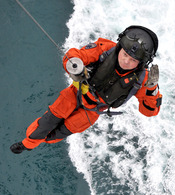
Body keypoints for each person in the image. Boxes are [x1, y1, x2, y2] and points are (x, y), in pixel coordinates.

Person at [10, 25, 162, 154]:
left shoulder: (144, 80)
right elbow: (74, 55)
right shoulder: (105, 49)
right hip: (75, 94)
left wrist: (151, 88)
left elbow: (148, 111)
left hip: (92, 112)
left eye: (133, 60)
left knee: (55, 135)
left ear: (142, 62)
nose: (126, 61)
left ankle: (37, 142)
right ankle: (26, 145)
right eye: (125, 54)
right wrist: (75, 66)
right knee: (45, 125)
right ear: (120, 47)